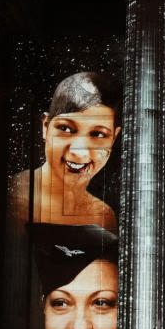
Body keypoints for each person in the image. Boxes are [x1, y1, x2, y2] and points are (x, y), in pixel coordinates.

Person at [19, 72, 122, 232]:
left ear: (113, 139)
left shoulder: (104, 215)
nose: (79, 152)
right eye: (65, 128)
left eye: (98, 134)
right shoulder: (12, 199)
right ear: (45, 127)